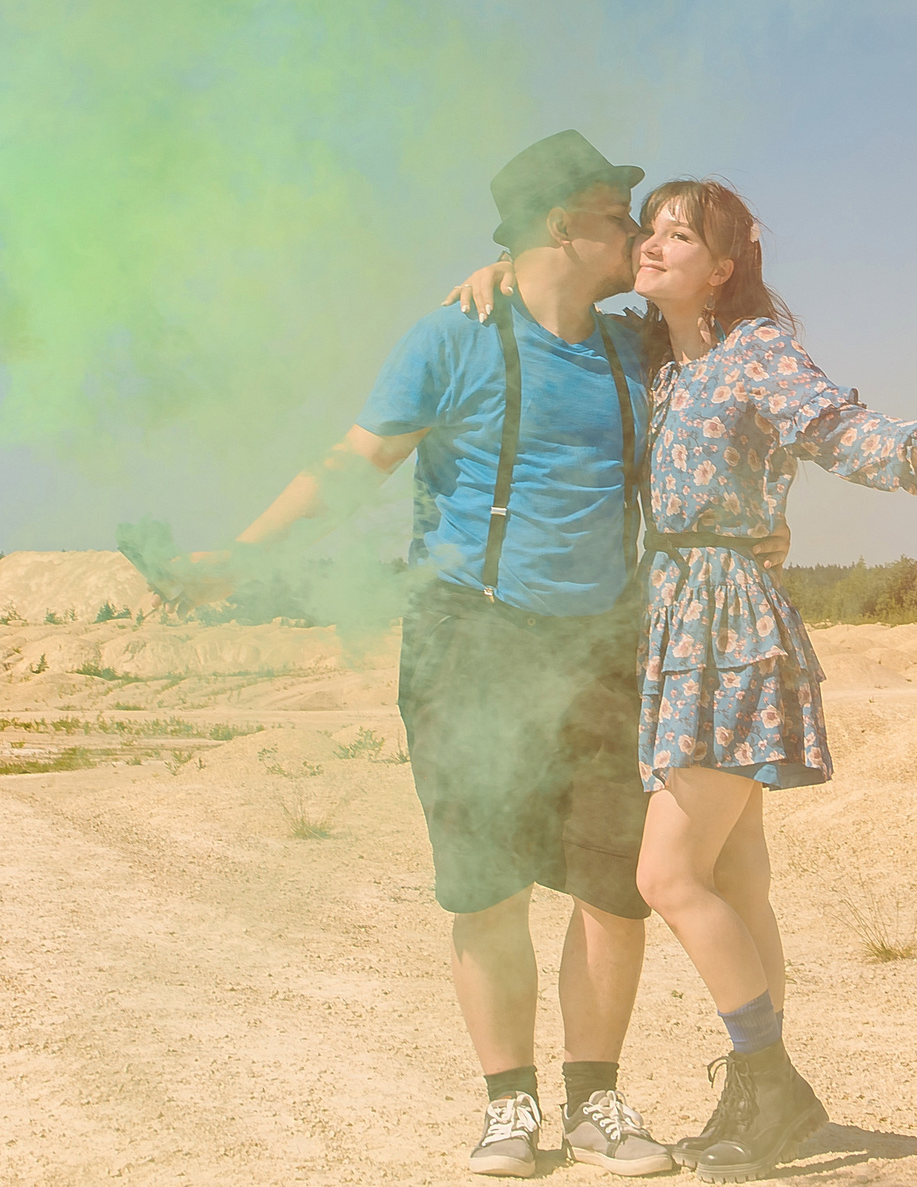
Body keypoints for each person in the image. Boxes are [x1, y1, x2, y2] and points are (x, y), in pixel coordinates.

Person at [216, 131, 777, 1179]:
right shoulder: (448, 338)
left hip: (610, 645)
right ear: (569, 222)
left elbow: (730, 355)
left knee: (614, 893)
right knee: (487, 889)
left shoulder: (631, 346)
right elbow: (352, 467)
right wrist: (237, 559)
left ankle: (597, 1103)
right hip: (468, 639)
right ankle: (508, 1109)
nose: (641, 236)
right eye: (623, 216)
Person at [457, 178, 917, 1181]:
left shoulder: (758, 352)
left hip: (725, 621)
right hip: (664, 620)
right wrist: (501, 272)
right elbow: (558, 313)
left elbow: (839, 429)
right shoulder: (645, 353)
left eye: (683, 235)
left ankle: (773, 1081)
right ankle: (756, 1092)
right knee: (735, 876)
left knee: (666, 875)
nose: (656, 244)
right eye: (653, 229)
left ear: (724, 267)